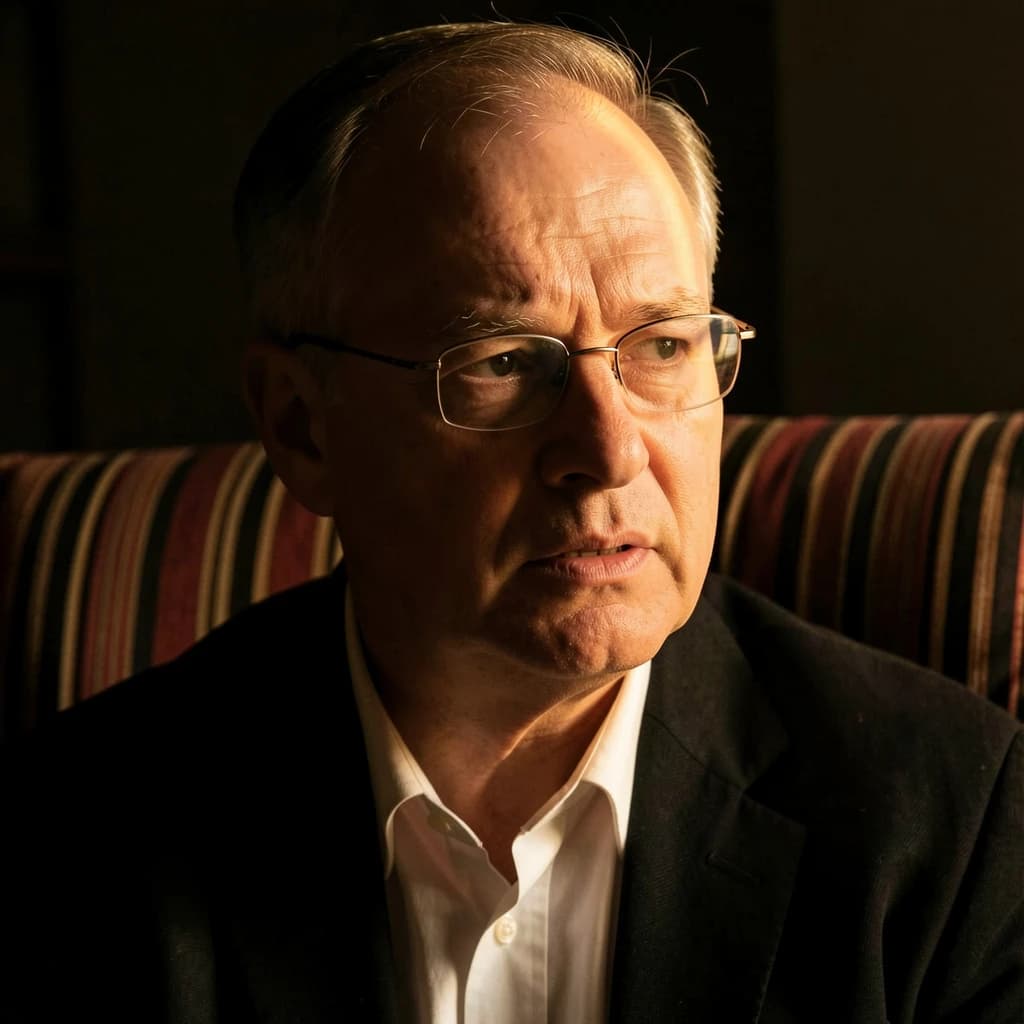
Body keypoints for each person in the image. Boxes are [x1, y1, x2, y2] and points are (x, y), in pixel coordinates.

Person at [2, 20, 1021, 1024]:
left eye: (663, 346)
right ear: (302, 426)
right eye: (500, 362)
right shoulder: (76, 840)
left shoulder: (953, 830)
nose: (613, 450)